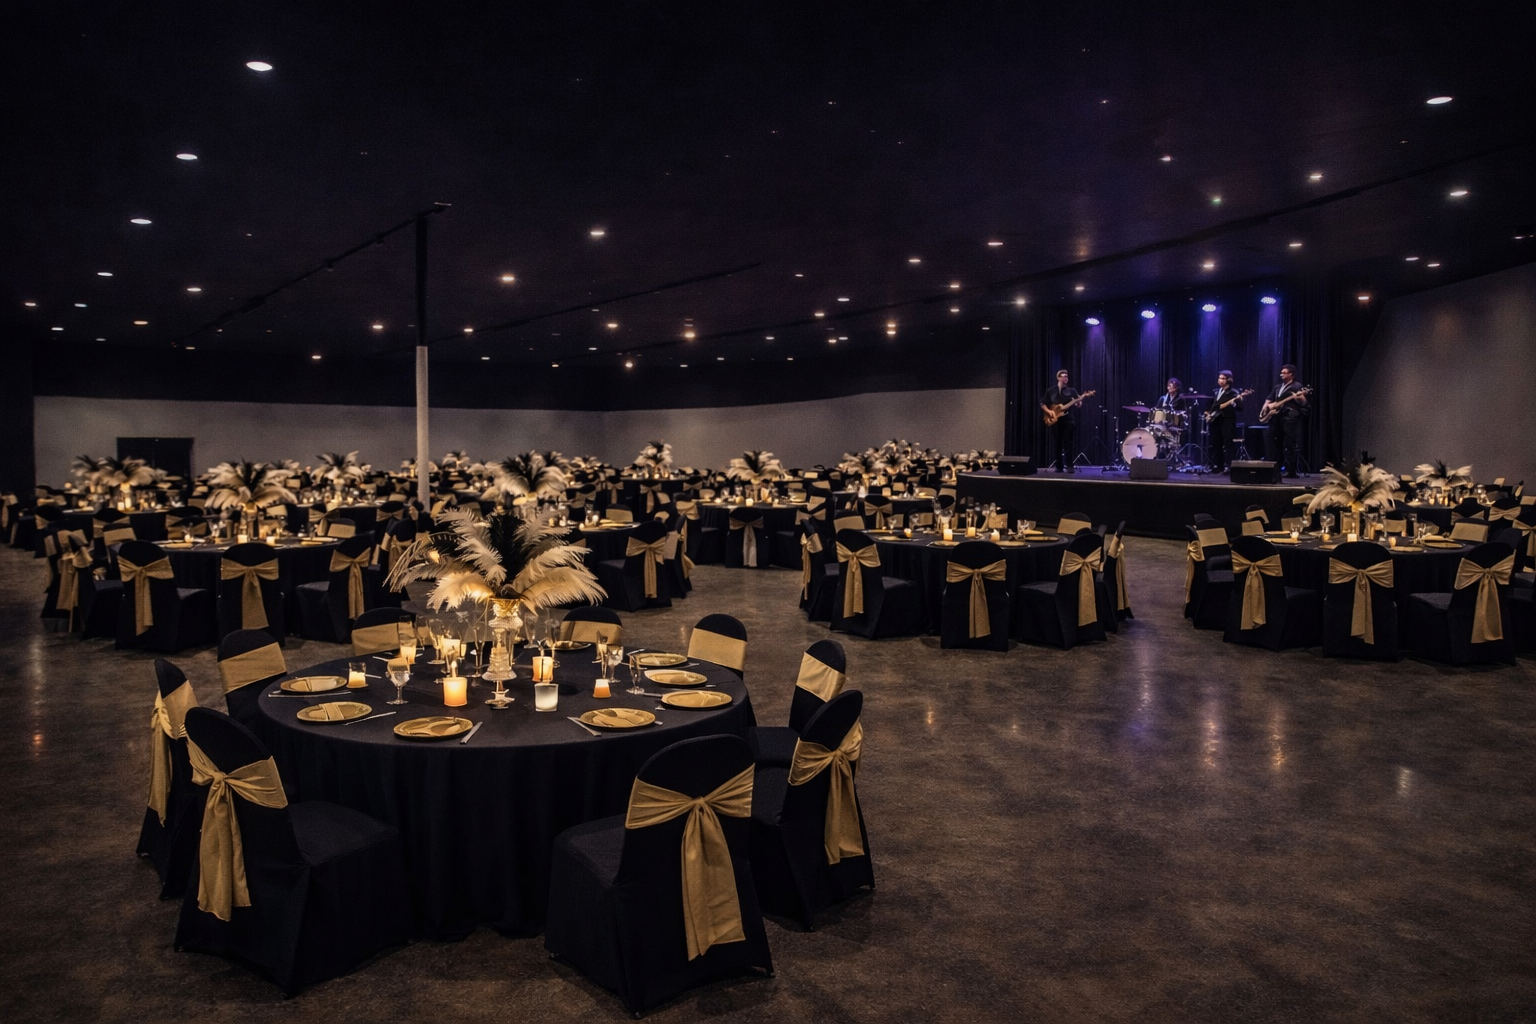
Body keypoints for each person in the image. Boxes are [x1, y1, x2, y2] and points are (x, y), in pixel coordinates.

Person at [1263, 364, 1307, 478]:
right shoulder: (1278, 387)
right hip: (1277, 417)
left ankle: (1290, 470)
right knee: (1273, 440)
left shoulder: (1297, 386)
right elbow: (1269, 399)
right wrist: (1265, 407)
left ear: (1291, 374)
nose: (1281, 374)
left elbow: (1303, 403)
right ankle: (1275, 467)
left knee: (1289, 443)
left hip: (1290, 416)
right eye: (1281, 372)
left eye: (1284, 372)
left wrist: (1300, 398)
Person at [1040, 369, 1080, 473]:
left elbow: (1078, 404)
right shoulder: (1051, 391)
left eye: (1066, 376)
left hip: (1068, 419)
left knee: (1068, 443)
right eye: (1063, 376)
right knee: (1057, 443)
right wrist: (1049, 411)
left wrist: (1079, 402)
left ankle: (1070, 466)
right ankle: (1059, 466)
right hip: (1056, 420)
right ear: (1058, 378)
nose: (1065, 378)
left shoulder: (1072, 391)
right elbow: (1043, 403)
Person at [1205, 371, 1241, 474]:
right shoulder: (1216, 391)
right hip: (1216, 420)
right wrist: (1207, 413)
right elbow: (1210, 404)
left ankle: (1229, 466)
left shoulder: (1234, 392)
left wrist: (1234, 404)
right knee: (1216, 442)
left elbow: (1240, 407)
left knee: (1228, 443)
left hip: (1227, 419)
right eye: (1219, 378)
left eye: (1223, 378)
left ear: (1229, 379)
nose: (1220, 380)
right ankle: (1218, 465)